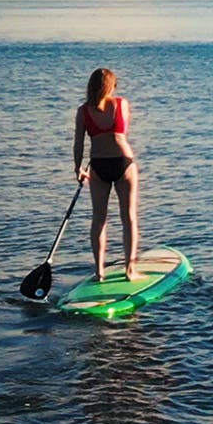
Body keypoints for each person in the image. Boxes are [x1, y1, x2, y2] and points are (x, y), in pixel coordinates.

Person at [70, 67, 141, 281]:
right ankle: (129, 270)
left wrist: (78, 168)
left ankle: (99, 271)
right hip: (124, 162)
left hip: (98, 165)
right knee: (128, 217)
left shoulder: (83, 111)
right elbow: (122, 131)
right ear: (111, 86)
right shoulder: (122, 104)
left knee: (98, 219)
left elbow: (79, 143)